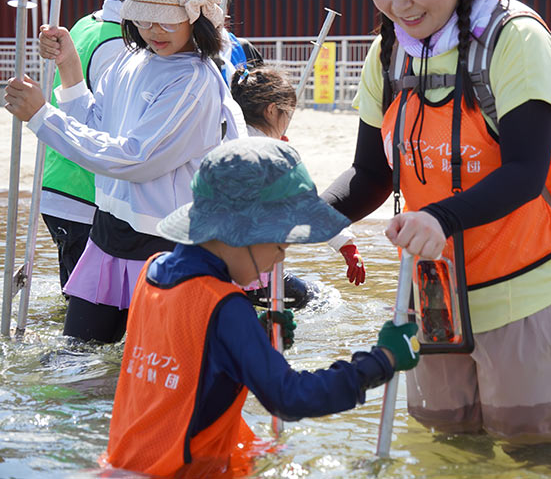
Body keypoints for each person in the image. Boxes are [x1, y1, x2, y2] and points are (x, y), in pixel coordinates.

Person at [319, 0, 551, 446]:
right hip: (433, 291)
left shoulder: (515, 38)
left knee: (535, 448)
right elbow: (371, 174)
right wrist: (302, 215)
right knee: (448, 444)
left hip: (523, 287)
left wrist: (440, 218)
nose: (398, 3)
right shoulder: (389, 50)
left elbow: (527, 171)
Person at [103, 137, 419, 477]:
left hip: (120, 466)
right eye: (281, 243)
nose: (282, 257)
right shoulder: (226, 307)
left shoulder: (153, 271)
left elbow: (188, 356)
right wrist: (379, 362)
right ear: (242, 232)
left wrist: (257, 332)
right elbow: (290, 397)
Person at [4, 0, 240, 343]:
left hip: (167, 244)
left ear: (196, 15)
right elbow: (98, 124)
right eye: (143, 16)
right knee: (75, 359)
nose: (154, 30)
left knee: (151, 367)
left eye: (166, 19)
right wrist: (69, 66)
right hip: (109, 233)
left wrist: (43, 116)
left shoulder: (194, 80)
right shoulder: (132, 61)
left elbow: (137, 158)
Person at [230, 65, 367, 304]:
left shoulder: (225, 142)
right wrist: (346, 245)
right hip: (258, 280)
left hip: (219, 271)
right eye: (287, 116)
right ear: (272, 111)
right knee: (323, 300)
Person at [39, 0, 125, 291]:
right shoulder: (118, 46)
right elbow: (108, 126)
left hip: (58, 180)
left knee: (78, 299)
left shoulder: (86, 23)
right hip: (84, 192)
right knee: (89, 307)